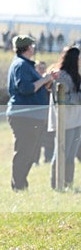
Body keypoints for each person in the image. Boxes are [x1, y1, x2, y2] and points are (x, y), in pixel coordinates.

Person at [6, 35, 56, 191]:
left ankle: (21, 184)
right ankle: (19, 186)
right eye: (32, 46)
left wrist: (45, 80)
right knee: (24, 152)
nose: (34, 48)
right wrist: (44, 79)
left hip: (30, 116)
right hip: (24, 116)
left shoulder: (25, 65)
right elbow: (26, 88)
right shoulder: (21, 65)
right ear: (27, 48)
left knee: (29, 151)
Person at [47, 46, 81, 190]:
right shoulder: (61, 76)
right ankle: (56, 184)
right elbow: (63, 99)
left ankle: (68, 183)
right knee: (60, 153)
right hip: (64, 121)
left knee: (71, 155)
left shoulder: (75, 75)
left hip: (76, 120)